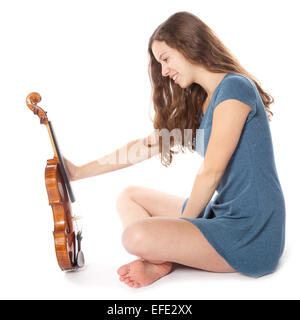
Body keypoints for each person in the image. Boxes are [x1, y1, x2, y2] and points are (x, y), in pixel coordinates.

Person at [64, 11, 285, 288]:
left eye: (166, 59)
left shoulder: (235, 89)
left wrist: (180, 229)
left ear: (189, 45)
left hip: (252, 231)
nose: (164, 71)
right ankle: (164, 257)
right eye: (160, 63)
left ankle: (161, 261)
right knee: (129, 197)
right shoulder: (201, 102)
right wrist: (78, 172)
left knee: (134, 238)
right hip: (222, 212)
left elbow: (211, 172)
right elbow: (145, 146)